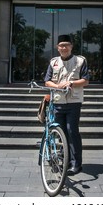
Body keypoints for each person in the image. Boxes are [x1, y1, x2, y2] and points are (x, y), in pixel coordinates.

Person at [44, 34, 89, 175]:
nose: (64, 48)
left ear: (71, 46)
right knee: (60, 133)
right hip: (57, 102)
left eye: (66, 45)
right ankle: (64, 161)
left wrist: (71, 83)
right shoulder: (53, 62)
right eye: (61, 45)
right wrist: (57, 86)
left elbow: (86, 80)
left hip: (74, 102)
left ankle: (76, 164)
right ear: (57, 48)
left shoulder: (80, 61)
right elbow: (47, 81)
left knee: (72, 131)